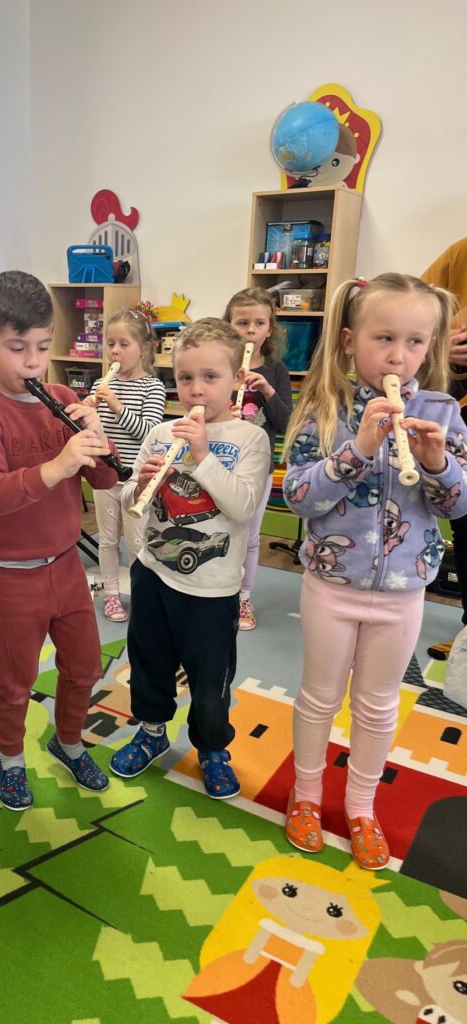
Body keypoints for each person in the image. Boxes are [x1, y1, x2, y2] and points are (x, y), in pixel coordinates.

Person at [282, 272, 467, 870]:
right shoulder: (323, 408)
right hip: (331, 586)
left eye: (415, 341)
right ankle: (306, 795)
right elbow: (299, 498)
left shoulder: (442, 411)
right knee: (319, 697)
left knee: (379, 705)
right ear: (348, 341)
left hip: (404, 591)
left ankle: (361, 806)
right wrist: (356, 451)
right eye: (384, 338)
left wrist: (437, 464)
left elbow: (459, 505)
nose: (399, 356)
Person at [0, 270, 117, 810]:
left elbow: (106, 480)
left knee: (86, 665)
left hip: (68, 568)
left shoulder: (63, 396)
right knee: (16, 679)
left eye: (43, 347)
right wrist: (57, 466)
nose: (33, 362)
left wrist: (96, 434)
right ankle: (10, 758)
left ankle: (68, 741)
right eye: (17, 348)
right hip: (13, 576)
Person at [109, 318, 271, 799]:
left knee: (210, 678)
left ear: (236, 379)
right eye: (184, 378)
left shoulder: (250, 439)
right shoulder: (162, 432)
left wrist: (202, 456)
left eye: (210, 377)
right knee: (148, 662)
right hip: (154, 572)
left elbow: (242, 507)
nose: (196, 389)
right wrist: (138, 485)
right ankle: (152, 732)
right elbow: (129, 496)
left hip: (212, 589)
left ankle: (212, 747)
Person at [89, 309, 166, 621]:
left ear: (144, 348)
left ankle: (141, 594)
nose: (115, 351)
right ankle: (111, 594)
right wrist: (87, 412)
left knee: (137, 543)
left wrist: (117, 406)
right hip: (104, 475)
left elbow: (149, 433)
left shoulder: (153, 388)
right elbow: (94, 432)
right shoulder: (100, 384)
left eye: (124, 344)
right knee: (107, 540)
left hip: (137, 479)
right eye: (111, 344)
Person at [223, 287, 293, 630]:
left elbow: (286, 423)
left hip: (258, 467)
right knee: (221, 531)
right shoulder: (221, 365)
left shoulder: (277, 370)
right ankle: (218, 591)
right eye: (242, 323)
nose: (251, 330)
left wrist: (266, 390)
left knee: (251, 536)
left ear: (269, 329)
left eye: (259, 323)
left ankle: (244, 597)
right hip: (221, 462)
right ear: (229, 326)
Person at [421, 239, 467, 659]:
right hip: (459, 410)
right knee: (464, 521)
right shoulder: (461, 254)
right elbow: (416, 306)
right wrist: (441, 346)